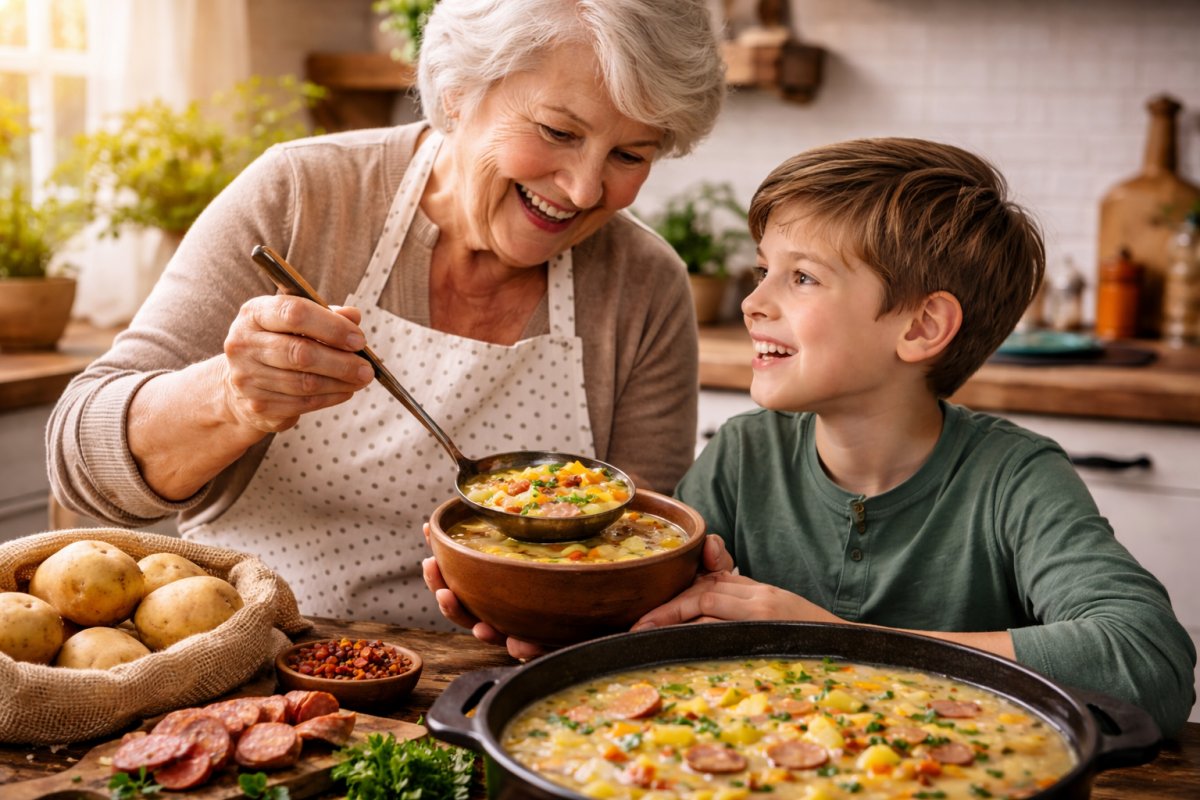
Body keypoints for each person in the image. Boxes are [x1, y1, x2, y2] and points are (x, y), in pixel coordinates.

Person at [46, 0, 726, 629]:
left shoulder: (646, 286)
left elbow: (636, 546)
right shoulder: (303, 196)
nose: (582, 188)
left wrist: (571, 614)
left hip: (501, 692)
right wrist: (230, 400)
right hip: (257, 667)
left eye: (629, 154)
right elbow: (79, 461)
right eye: (557, 130)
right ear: (460, 91)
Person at [628, 137, 1196, 736]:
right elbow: (652, 626)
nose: (752, 302)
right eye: (763, 270)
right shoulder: (742, 456)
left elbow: (1148, 661)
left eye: (801, 277)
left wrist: (840, 643)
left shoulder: (1013, 477)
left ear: (923, 327)